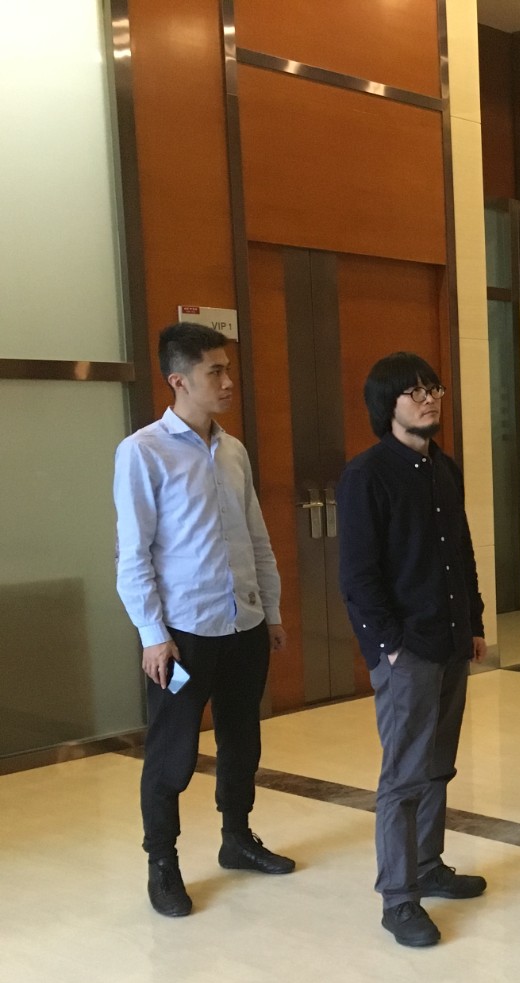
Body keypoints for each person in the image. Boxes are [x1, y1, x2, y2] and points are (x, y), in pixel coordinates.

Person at [113, 321, 294, 918]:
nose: (227, 381)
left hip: (243, 626)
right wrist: (152, 635)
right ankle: (162, 863)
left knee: (243, 739)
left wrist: (270, 611)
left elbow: (256, 539)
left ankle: (236, 838)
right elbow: (132, 554)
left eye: (227, 369)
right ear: (178, 380)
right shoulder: (143, 451)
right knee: (172, 753)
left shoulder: (233, 450)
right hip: (184, 636)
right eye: (214, 371)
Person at [337, 353, 488, 948]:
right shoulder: (366, 475)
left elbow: (462, 552)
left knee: (438, 763)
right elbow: (358, 576)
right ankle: (398, 898)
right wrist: (388, 647)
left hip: (450, 640)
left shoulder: (443, 467)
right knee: (404, 774)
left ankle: (428, 865)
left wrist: (474, 621)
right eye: (415, 391)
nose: (429, 399)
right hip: (407, 650)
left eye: (434, 388)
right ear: (388, 405)